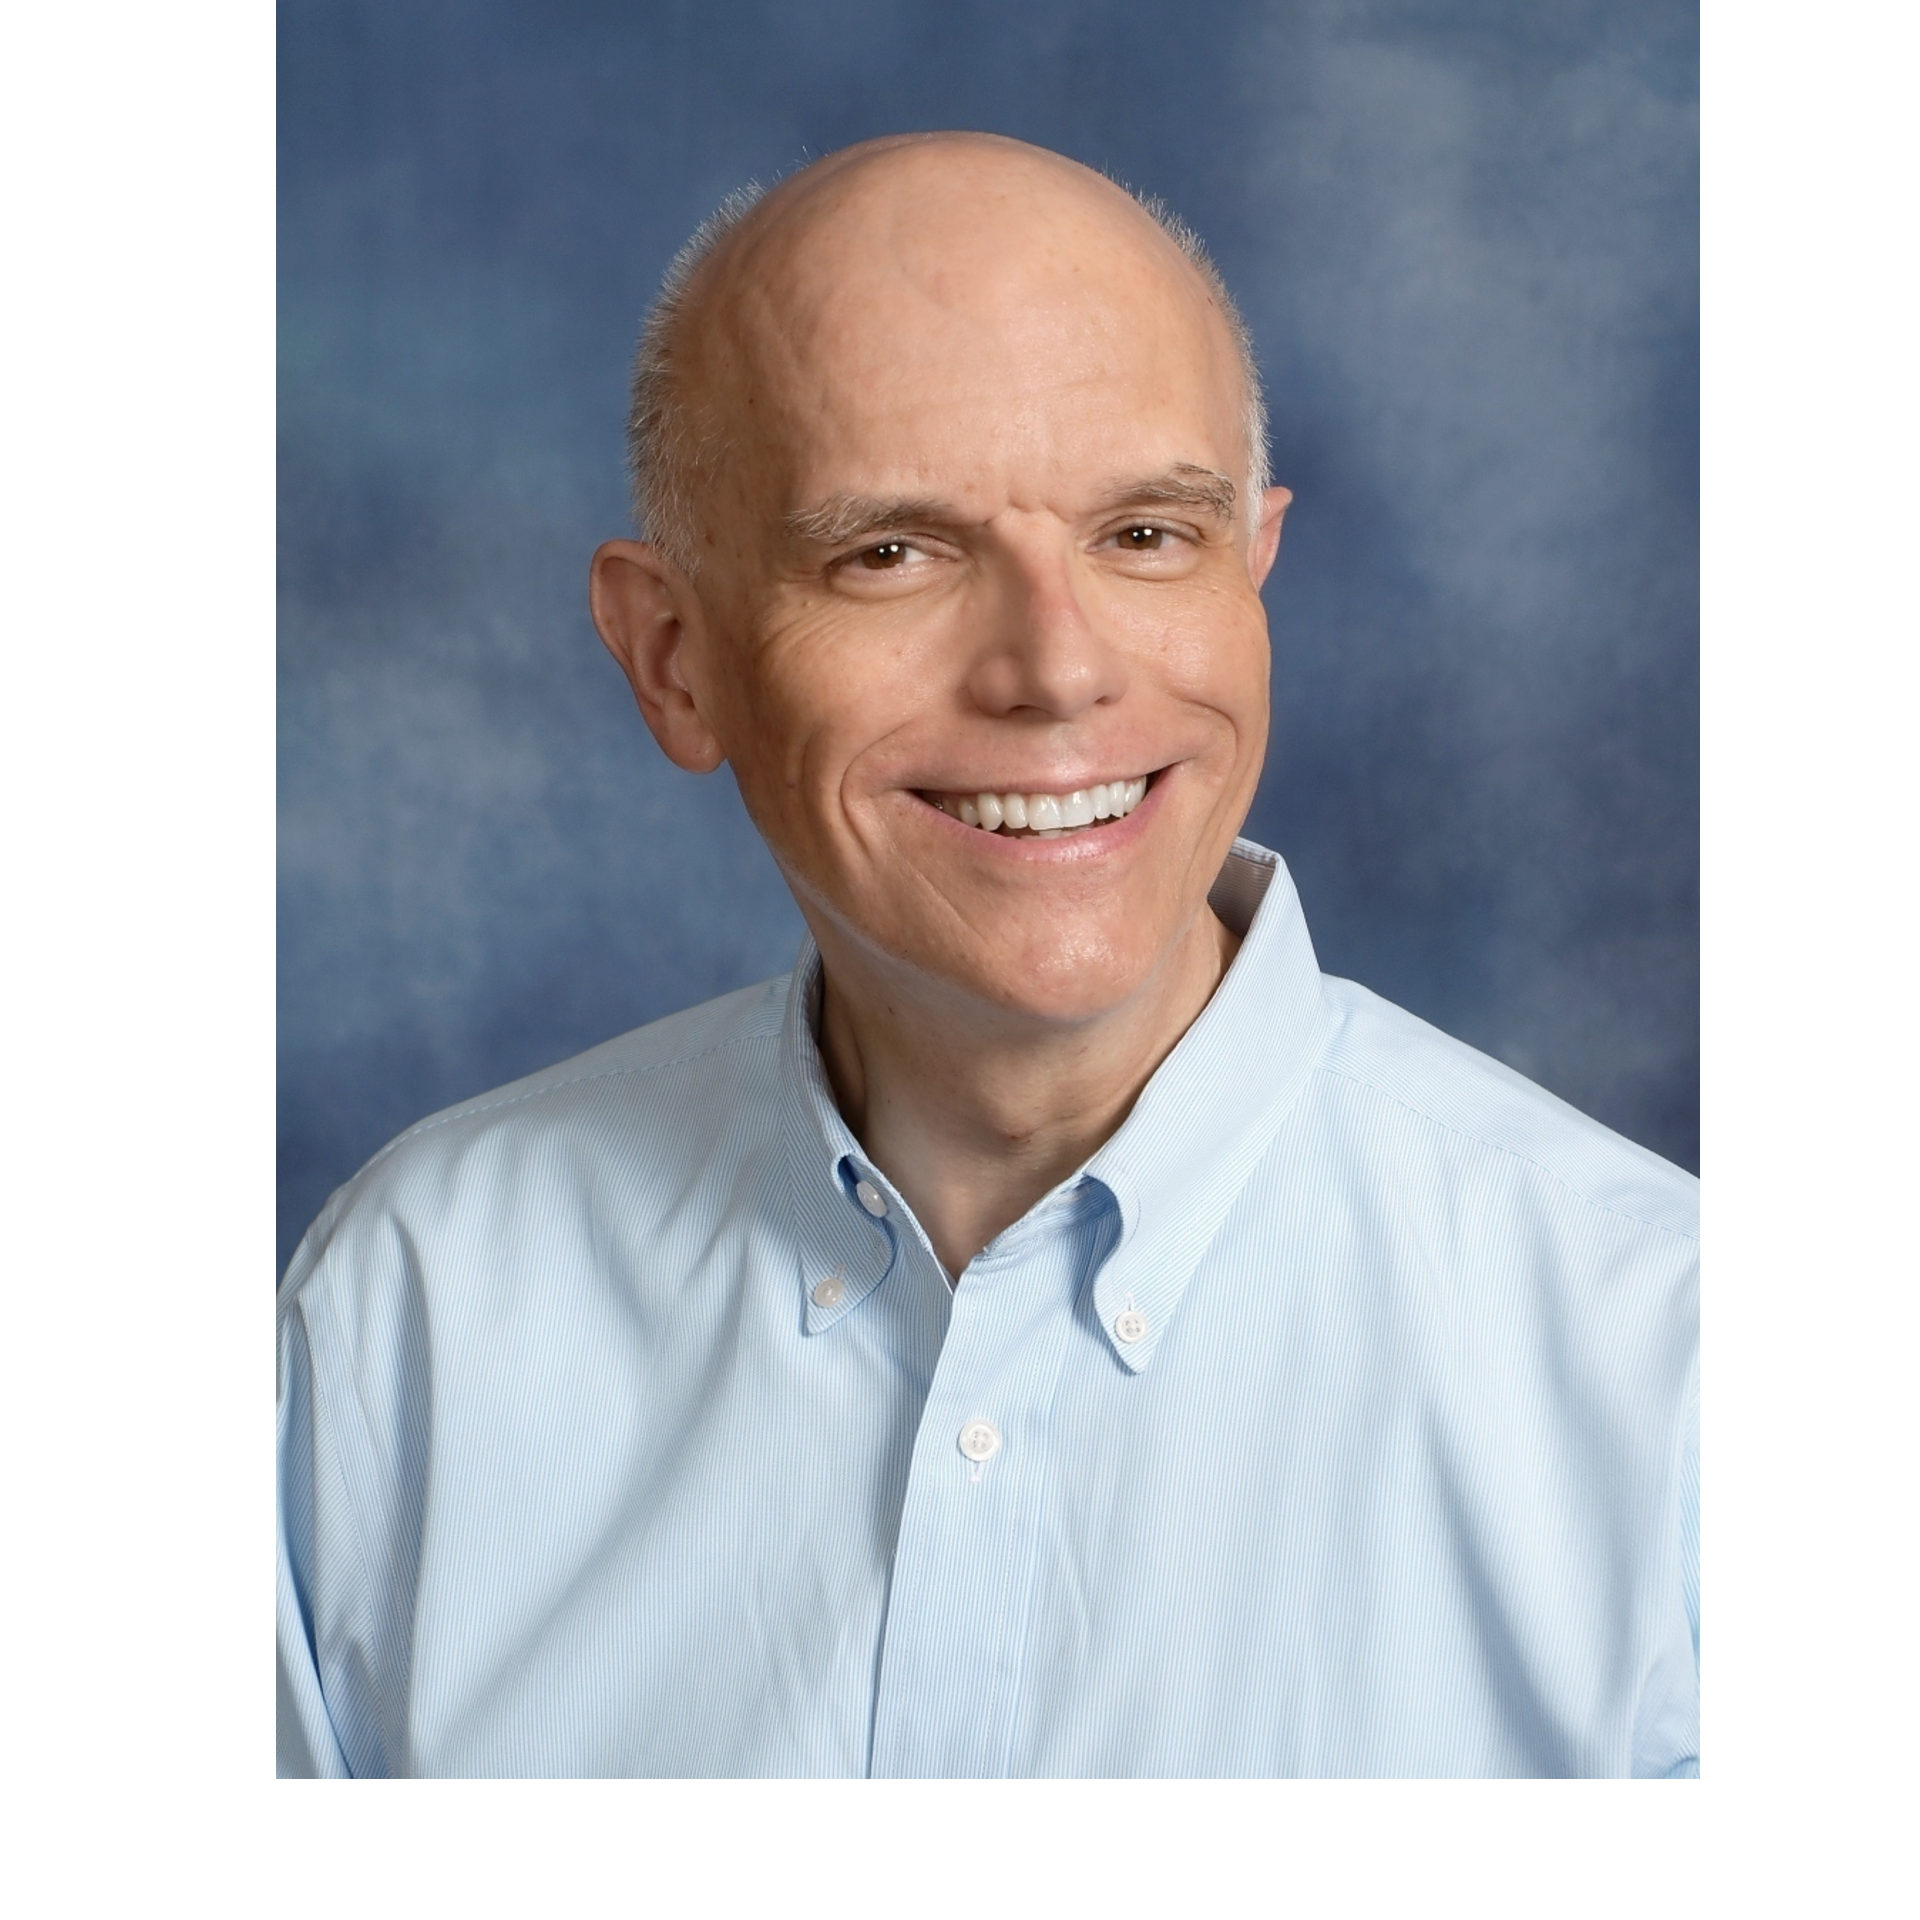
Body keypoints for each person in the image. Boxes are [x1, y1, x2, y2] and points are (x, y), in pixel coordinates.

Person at [276, 133, 1698, 1778]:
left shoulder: (1650, 1371)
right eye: (891, 552)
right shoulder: (415, 1320)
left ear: (1256, 570)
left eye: (1145, 535)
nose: (1055, 669)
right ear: (673, 658)